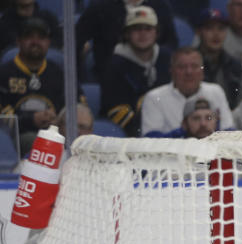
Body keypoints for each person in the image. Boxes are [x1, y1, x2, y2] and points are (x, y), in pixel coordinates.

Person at [101, 5, 172, 136]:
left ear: (157, 33)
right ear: (127, 33)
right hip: (133, 135)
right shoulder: (114, 65)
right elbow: (116, 111)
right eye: (136, 29)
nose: (143, 34)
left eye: (148, 29)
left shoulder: (168, 59)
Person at [0, 17, 67, 150]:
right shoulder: (4, 73)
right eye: (29, 36)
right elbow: (2, 118)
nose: (35, 42)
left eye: (41, 37)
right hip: (17, 138)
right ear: (19, 41)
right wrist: (31, 119)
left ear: (48, 42)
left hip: (56, 134)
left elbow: (77, 106)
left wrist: (58, 118)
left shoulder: (58, 73)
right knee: (34, 141)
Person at [141, 47, 235, 136]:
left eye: (194, 66)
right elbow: (150, 139)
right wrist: (183, 132)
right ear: (171, 70)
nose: (189, 72)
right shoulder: (154, 97)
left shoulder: (215, 91)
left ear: (202, 71)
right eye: (182, 67)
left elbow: (229, 131)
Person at [76, 0, 177, 83]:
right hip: (110, 78)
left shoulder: (160, 5)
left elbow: (171, 44)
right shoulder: (100, 6)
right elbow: (75, 42)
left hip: (153, 78)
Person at [195, 8, 242, 110]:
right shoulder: (189, 64)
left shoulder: (237, 65)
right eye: (209, 28)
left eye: (221, 28)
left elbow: (241, 105)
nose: (216, 34)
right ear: (199, 32)